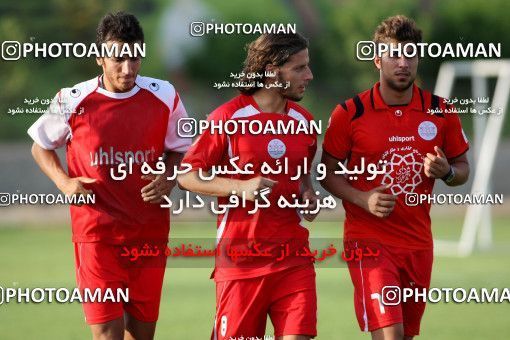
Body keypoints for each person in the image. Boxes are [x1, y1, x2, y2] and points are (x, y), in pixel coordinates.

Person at [27, 11, 190, 340]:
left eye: (135, 58)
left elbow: (180, 146)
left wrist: (169, 177)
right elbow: (40, 146)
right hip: (97, 237)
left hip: (148, 234)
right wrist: (64, 182)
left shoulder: (165, 95)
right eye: (118, 59)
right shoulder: (71, 100)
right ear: (100, 57)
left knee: (141, 335)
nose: (128, 69)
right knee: (106, 333)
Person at [320, 15, 470, 340]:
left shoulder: (441, 111)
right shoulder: (349, 113)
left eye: (411, 55)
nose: (403, 63)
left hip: (418, 243)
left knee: (405, 335)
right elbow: (326, 173)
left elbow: (463, 170)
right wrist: (363, 198)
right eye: (394, 55)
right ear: (377, 60)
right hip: (368, 240)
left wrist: (447, 173)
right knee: (390, 333)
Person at [177, 33, 317, 340]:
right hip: (241, 265)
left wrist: (307, 194)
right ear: (271, 70)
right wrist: (239, 188)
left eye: (307, 67)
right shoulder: (227, 118)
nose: (309, 75)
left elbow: (302, 175)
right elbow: (186, 176)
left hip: (293, 260)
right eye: (299, 68)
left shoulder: (305, 122)